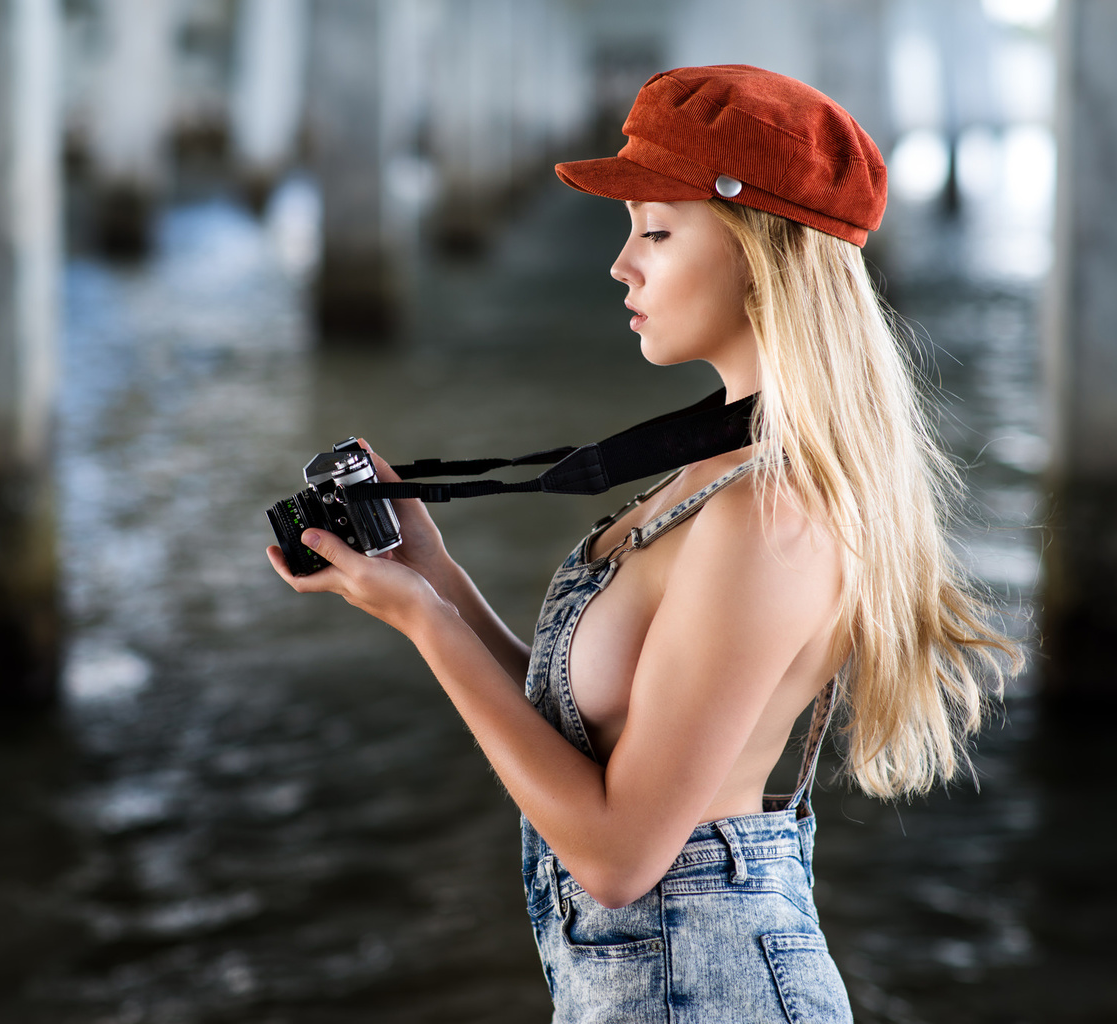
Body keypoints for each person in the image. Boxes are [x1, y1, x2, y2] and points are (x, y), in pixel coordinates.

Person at [268, 65, 1020, 1023]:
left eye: (656, 232)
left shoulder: (769, 512)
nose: (623, 265)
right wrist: (438, 580)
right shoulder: (721, 465)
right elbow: (589, 744)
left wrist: (426, 626)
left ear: (761, 255)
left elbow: (621, 857)